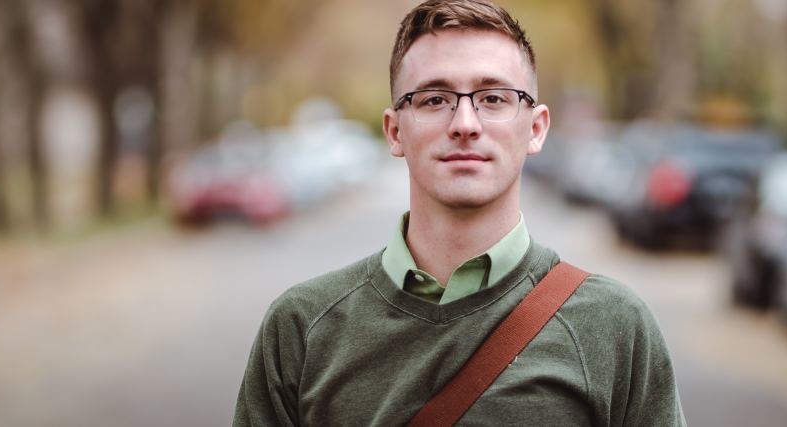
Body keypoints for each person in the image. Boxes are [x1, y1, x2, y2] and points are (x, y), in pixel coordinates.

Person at [233, 0, 685, 425]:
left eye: (493, 99)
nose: (465, 124)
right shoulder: (301, 328)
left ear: (536, 128)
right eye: (434, 99)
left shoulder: (615, 327)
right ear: (394, 132)